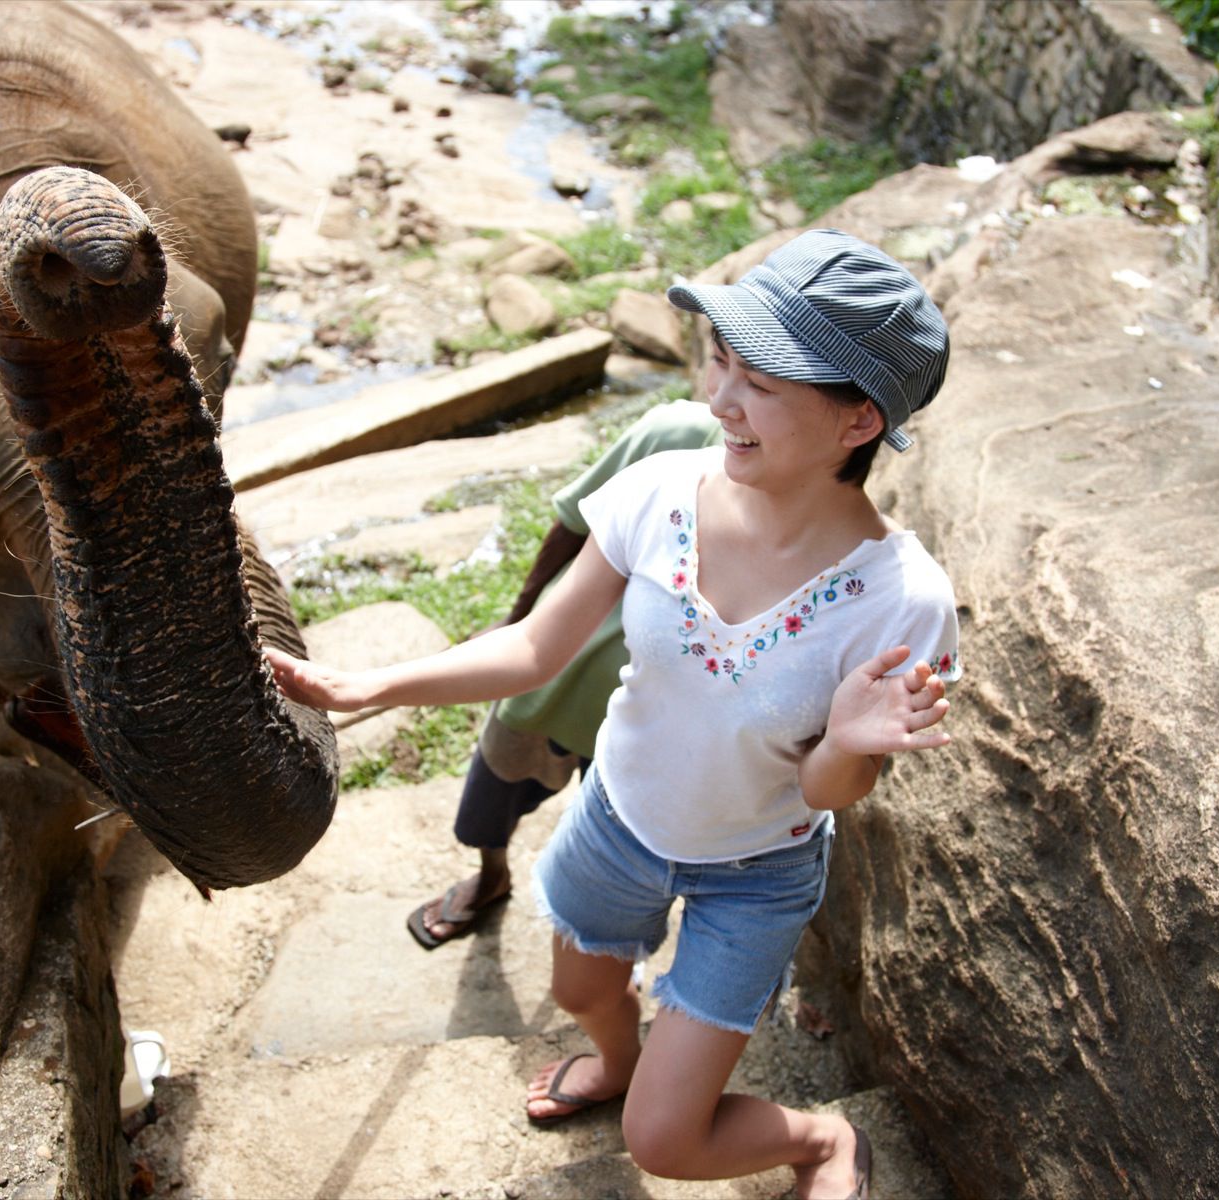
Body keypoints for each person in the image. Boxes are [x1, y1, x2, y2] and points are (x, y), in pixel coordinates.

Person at [266, 229, 960, 1200]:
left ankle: (820, 1141)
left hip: (755, 872)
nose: (719, 401)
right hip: (617, 821)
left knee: (666, 1145)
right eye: (721, 361)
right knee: (582, 992)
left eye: (760, 383)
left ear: (858, 424)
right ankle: (622, 1059)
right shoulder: (660, 492)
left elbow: (824, 788)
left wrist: (847, 741)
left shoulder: (901, 602)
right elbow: (539, 648)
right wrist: (370, 686)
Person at [409, 400, 723, 948]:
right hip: (561, 668)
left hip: (653, 710)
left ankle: (600, 932)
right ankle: (492, 874)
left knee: (613, 823)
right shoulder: (678, 432)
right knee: (499, 775)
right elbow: (575, 522)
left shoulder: (803, 516)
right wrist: (518, 618)